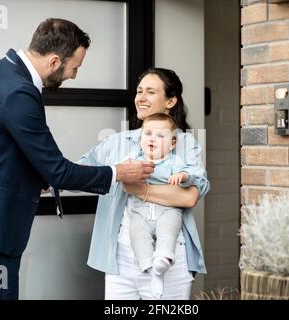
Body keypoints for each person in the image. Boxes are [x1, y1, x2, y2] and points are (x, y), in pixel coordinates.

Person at [0, 18, 154, 300]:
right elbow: (59, 172)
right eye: (74, 67)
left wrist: (38, 175)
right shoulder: (18, 91)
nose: (74, 76)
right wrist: (119, 172)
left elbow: (0, 151)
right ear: (55, 61)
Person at [78, 68, 210, 300]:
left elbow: (189, 197)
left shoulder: (185, 144)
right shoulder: (117, 142)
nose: (141, 97)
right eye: (139, 91)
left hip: (169, 256)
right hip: (122, 257)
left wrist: (141, 189)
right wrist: (46, 180)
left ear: (171, 101)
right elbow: (80, 171)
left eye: (150, 91)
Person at [127, 113, 198, 299]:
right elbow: (123, 173)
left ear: (172, 144)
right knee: (137, 234)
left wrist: (181, 177)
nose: (153, 139)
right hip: (140, 212)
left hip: (167, 210)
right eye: (148, 133)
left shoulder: (173, 161)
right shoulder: (135, 159)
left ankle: (163, 257)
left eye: (160, 136)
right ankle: (150, 270)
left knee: (169, 229)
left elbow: (191, 175)